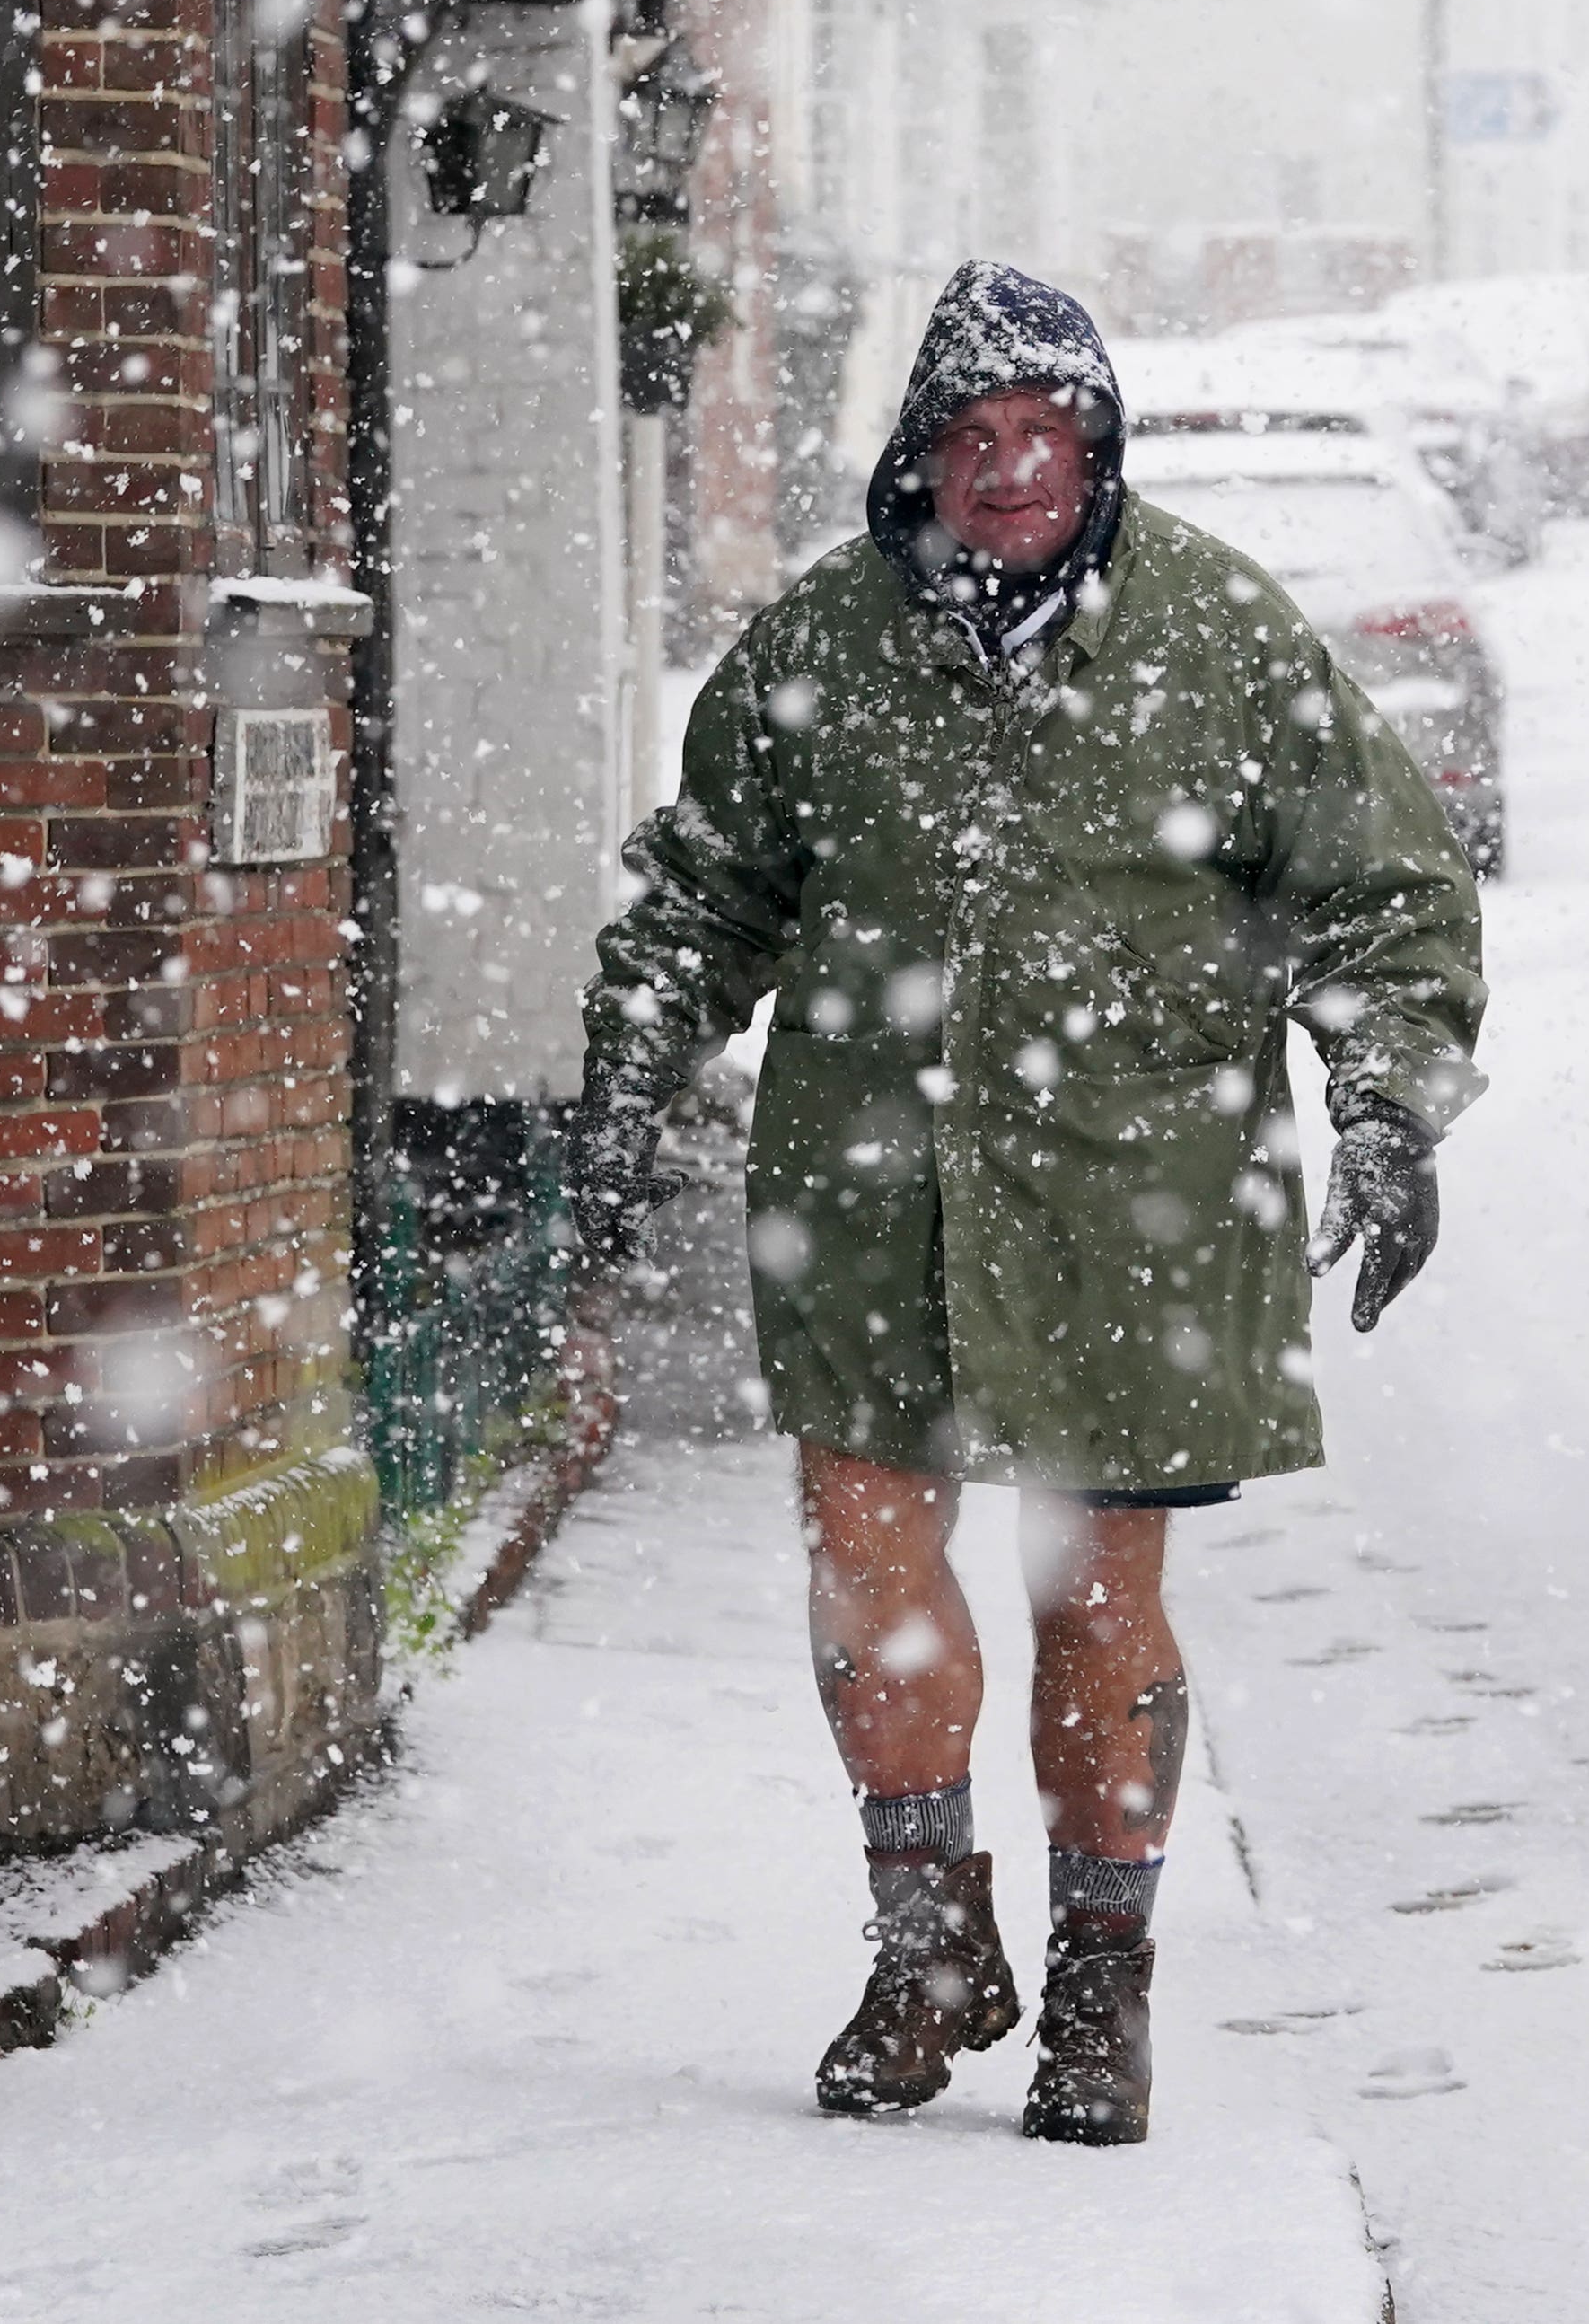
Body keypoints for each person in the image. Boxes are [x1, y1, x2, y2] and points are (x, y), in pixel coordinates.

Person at [571, 260, 1487, 2148]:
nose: (1006, 476)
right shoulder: (821, 649)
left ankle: (1096, 1986)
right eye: (968, 441)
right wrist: (630, 1053)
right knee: (869, 1569)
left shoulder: (1219, 639)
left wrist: (1388, 1102)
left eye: (1041, 438)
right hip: (867, 1188)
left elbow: (1381, 891)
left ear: (1097, 451)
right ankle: (925, 1946)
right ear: (917, 460)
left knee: (1092, 1600)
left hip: (1130, 1200)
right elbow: (706, 888)